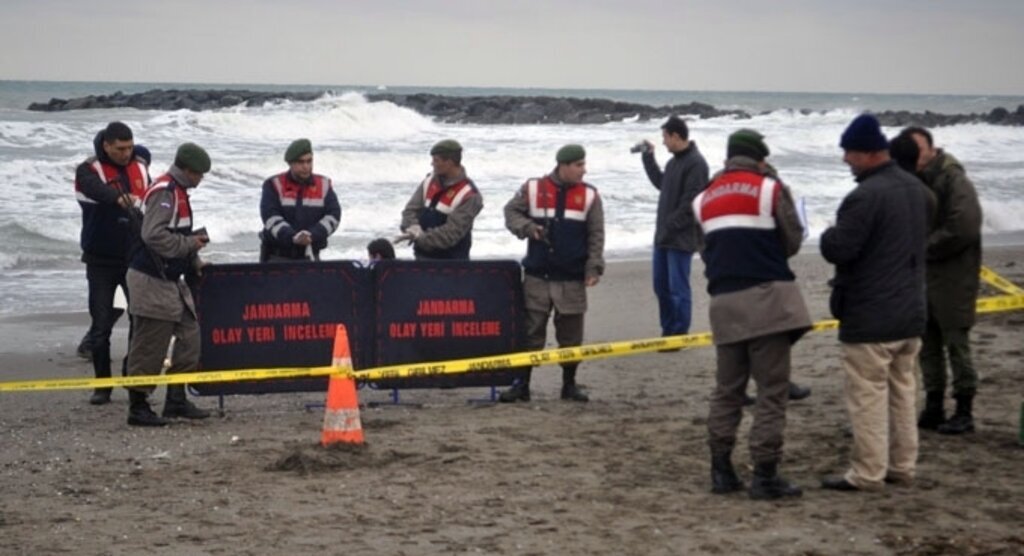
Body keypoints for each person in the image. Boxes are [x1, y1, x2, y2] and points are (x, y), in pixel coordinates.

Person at [693, 129, 811, 499]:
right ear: (760, 159)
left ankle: (721, 470)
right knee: (772, 392)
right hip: (768, 300)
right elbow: (792, 240)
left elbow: (705, 249)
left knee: (727, 391)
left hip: (724, 304)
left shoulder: (702, 199)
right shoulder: (769, 189)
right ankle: (764, 474)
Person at [819, 114, 930, 491]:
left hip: (872, 313)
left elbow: (841, 248)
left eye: (849, 152)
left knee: (868, 395)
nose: (845, 160)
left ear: (867, 153)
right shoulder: (916, 189)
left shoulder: (864, 197)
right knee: (903, 392)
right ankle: (902, 465)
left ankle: (868, 472)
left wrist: (827, 234)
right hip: (910, 309)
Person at [498, 144, 604, 403]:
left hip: (572, 277)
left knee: (571, 336)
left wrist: (594, 267)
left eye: (583, 164)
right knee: (530, 332)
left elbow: (596, 235)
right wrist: (527, 227)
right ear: (563, 166)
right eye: (579, 165)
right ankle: (521, 385)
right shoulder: (533, 188)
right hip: (538, 276)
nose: (584, 170)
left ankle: (569, 385)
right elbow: (510, 212)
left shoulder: (590, 195)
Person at [901, 126, 983, 435]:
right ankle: (934, 406)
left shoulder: (953, 179)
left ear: (931, 149)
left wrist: (924, 248)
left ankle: (964, 409)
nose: (916, 157)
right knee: (928, 345)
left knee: (957, 345)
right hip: (925, 277)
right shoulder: (915, 180)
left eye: (919, 150)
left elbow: (964, 226)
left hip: (954, 276)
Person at [124, 143, 213, 427]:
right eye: (199, 174)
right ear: (187, 171)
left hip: (171, 279)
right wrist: (189, 244)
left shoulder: (178, 191)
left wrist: (194, 259)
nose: (201, 179)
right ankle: (138, 407)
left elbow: (176, 234)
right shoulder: (165, 191)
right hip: (151, 279)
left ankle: (175, 400)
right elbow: (153, 236)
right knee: (150, 344)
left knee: (190, 338)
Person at [74, 122, 150, 405]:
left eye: (130, 147)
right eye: (119, 149)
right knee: (102, 323)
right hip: (100, 260)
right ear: (106, 145)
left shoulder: (140, 165)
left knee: (138, 320)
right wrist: (118, 198)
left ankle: (132, 379)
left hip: (134, 258)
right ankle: (102, 386)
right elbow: (94, 189)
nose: (125, 153)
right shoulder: (89, 170)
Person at [638, 116, 708, 349]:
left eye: (665, 138)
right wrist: (648, 157)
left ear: (676, 136)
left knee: (678, 288)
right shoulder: (673, 163)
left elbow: (691, 202)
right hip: (663, 237)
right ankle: (668, 331)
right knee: (661, 287)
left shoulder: (696, 163)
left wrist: (671, 224)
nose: (664, 143)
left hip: (681, 238)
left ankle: (679, 335)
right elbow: (661, 183)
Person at [259, 139, 341, 262]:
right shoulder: (273, 184)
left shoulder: (323, 184)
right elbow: (270, 217)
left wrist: (312, 235)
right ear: (290, 163)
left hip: (311, 256)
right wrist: (293, 237)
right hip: (277, 257)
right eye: (301, 162)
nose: (306, 166)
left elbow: (334, 216)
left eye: (309, 161)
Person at [399, 139, 483, 259]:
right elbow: (410, 211)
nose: (432, 164)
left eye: (436, 160)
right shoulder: (429, 181)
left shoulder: (470, 195)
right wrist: (412, 228)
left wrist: (421, 238)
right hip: (421, 258)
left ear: (449, 162)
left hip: (452, 266)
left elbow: (450, 234)